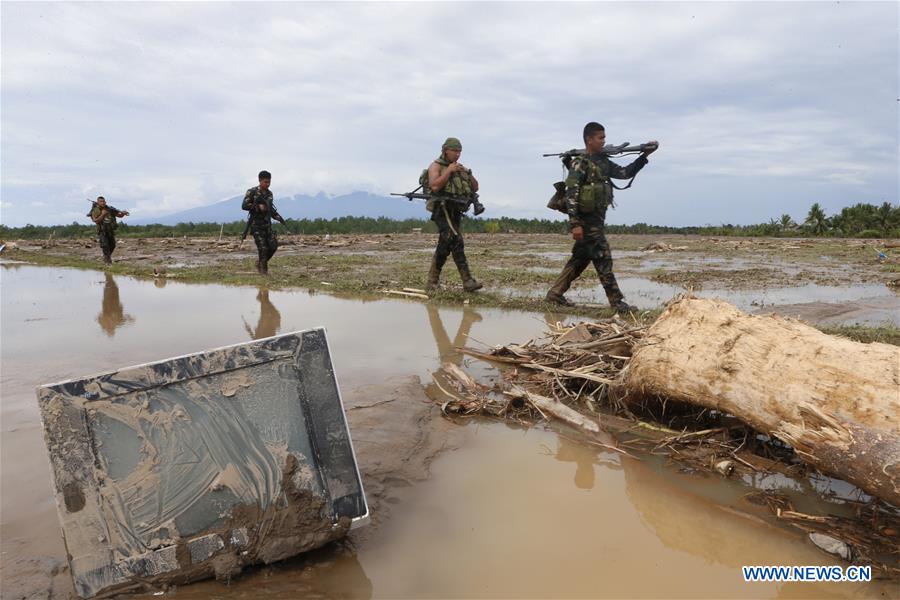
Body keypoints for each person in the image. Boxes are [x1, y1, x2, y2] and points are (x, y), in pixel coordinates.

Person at [545, 122, 657, 312]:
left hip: (597, 220)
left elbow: (624, 173)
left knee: (579, 259)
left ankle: (555, 294)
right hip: (586, 222)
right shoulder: (580, 162)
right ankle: (616, 302)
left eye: (604, 137)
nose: (604, 141)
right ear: (589, 140)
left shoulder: (603, 161)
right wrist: (575, 224)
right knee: (603, 257)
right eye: (600, 138)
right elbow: (572, 194)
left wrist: (644, 156)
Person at [424, 137, 485, 293]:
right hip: (442, 209)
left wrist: (467, 173)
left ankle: (432, 281)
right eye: (455, 151)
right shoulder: (435, 166)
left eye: (459, 152)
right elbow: (435, 185)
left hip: (456, 210)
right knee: (456, 241)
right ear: (446, 150)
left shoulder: (460, 168)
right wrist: (449, 171)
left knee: (445, 245)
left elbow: (475, 187)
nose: (457, 155)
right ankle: (467, 280)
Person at [241, 170, 285, 275]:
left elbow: (270, 209)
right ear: (260, 181)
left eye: (269, 182)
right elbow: (244, 206)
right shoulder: (251, 191)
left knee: (273, 247)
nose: (267, 184)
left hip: (267, 225)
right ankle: (264, 273)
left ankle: (260, 263)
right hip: (256, 225)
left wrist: (277, 216)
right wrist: (257, 206)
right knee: (263, 249)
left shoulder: (270, 193)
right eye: (265, 182)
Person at [89, 196, 129, 264]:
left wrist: (123, 214)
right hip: (102, 231)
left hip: (110, 230)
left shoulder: (109, 209)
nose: (103, 203)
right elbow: (96, 221)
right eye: (101, 201)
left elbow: (119, 215)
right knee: (105, 245)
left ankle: (106, 257)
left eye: (104, 201)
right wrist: (103, 214)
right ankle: (108, 262)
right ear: (98, 202)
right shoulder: (96, 210)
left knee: (112, 245)